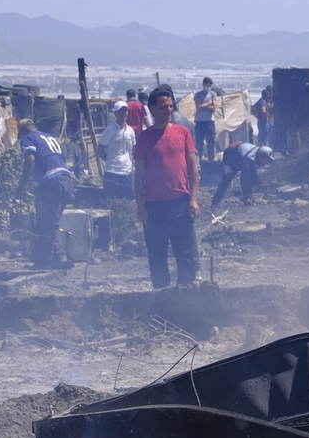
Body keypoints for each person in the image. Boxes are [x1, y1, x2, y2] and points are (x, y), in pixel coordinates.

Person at [134, 84, 199, 288]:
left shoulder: (182, 133)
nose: (168, 110)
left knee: (185, 251)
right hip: (154, 205)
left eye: (170, 106)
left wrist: (194, 199)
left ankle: (186, 296)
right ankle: (162, 299)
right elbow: (139, 175)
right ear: (152, 109)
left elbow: (192, 169)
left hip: (180, 201)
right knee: (156, 252)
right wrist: (140, 206)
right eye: (163, 106)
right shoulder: (144, 138)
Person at [16, 119, 75, 269]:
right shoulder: (50, 138)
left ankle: (56, 257)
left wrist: (22, 186)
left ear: (22, 131)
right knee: (50, 222)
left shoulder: (28, 137)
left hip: (52, 183)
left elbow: (30, 160)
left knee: (45, 221)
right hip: (67, 181)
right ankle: (46, 258)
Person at [209, 142, 272, 209]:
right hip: (230, 158)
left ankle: (248, 198)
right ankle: (215, 203)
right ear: (261, 158)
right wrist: (226, 163)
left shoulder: (256, 156)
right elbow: (244, 180)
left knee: (250, 175)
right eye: (266, 160)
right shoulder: (249, 159)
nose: (267, 162)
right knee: (226, 181)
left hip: (240, 157)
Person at [97, 100, 137, 200]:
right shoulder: (110, 130)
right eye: (121, 111)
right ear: (115, 113)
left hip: (127, 172)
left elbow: (134, 148)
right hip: (112, 172)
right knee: (112, 201)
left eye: (125, 111)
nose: (124, 114)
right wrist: (110, 160)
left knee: (129, 200)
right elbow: (100, 150)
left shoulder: (130, 131)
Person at [193, 76, 221, 163]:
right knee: (199, 143)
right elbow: (198, 107)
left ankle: (211, 160)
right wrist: (209, 103)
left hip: (209, 121)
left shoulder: (213, 94)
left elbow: (213, 109)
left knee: (211, 143)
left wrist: (204, 105)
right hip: (200, 121)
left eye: (210, 84)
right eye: (207, 84)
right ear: (203, 84)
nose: (208, 86)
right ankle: (199, 161)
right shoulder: (198, 94)